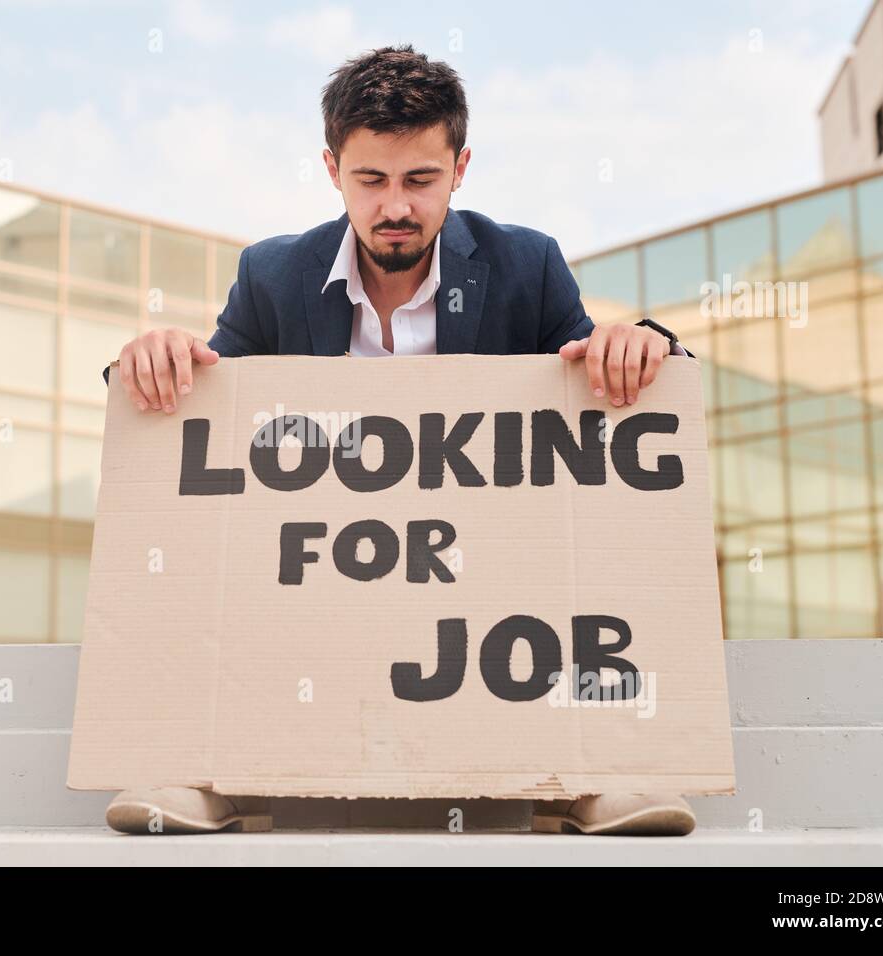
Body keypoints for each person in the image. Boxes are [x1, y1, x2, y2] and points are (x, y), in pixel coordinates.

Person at [104, 45, 697, 838]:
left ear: (460, 169)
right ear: (331, 170)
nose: (396, 207)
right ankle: (197, 764)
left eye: (421, 181)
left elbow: (600, 395)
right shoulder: (273, 276)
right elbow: (203, 424)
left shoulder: (528, 265)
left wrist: (644, 344)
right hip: (322, 580)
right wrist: (152, 362)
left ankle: (602, 767)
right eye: (371, 181)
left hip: (487, 581)